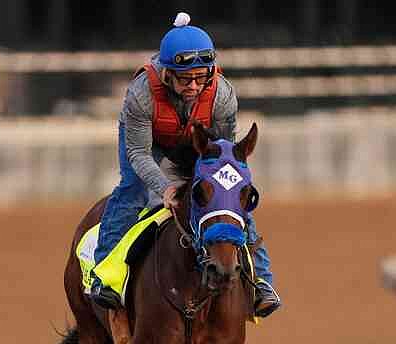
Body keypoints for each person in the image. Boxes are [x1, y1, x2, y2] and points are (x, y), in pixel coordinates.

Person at [90, 12, 281, 318]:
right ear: (167, 74)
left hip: (196, 141)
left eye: (201, 76)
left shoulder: (222, 96)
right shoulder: (140, 96)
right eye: (185, 78)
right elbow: (139, 154)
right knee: (133, 192)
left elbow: (223, 157)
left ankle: (261, 281)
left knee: (229, 195)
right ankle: (105, 277)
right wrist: (165, 188)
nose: (193, 86)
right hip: (147, 142)